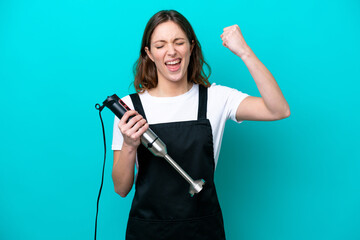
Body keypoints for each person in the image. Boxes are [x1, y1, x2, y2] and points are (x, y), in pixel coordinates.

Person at [111, 10, 290, 240]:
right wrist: (128, 144)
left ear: (191, 46)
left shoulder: (217, 98)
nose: (171, 52)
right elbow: (121, 188)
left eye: (179, 42)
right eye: (160, 45)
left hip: (203, 230)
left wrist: (244, 52)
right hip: (149, 230)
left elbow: (279, 109)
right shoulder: (129, 108)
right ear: (149, 53)